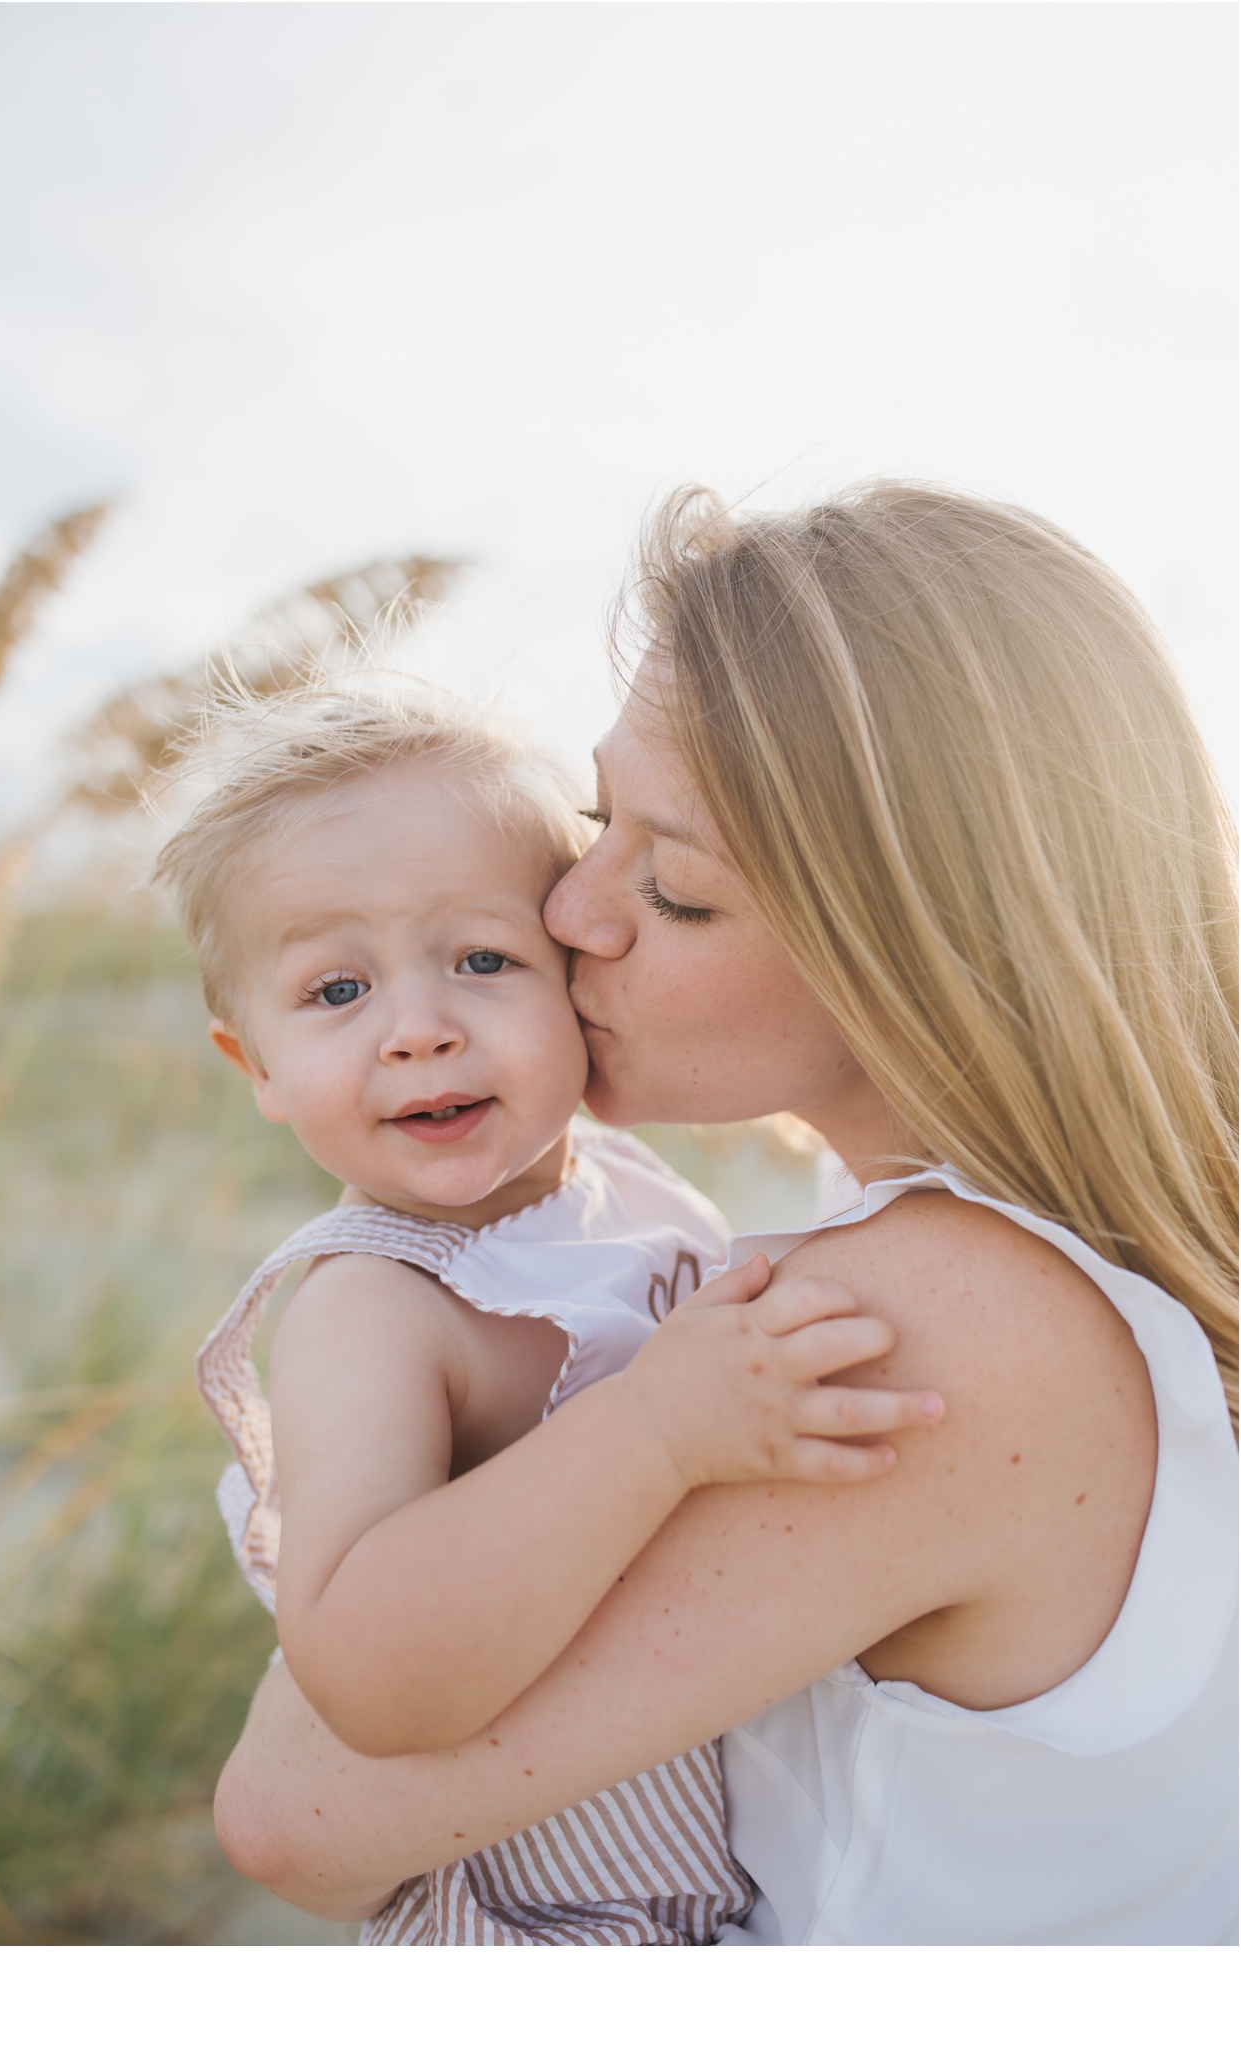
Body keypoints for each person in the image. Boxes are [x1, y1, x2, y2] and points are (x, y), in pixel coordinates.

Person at [212, 484, 1238, 1945]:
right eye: (595, 817)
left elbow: (294, 1818)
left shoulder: (934, 1320)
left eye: (674, 890)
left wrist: (445, 1399)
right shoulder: (993, 1235)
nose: (570, 911)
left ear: (915, 951)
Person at [156, 682, 941, 1944]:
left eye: (482, 960)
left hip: (718, 1882)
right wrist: (655, 1431)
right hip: (543, 1916)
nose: (418, 1030)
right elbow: (365, 1670)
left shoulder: (625, 1185)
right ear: (252, 1064)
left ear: (573, 973)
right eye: (335, 990)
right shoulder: (377, 1307)